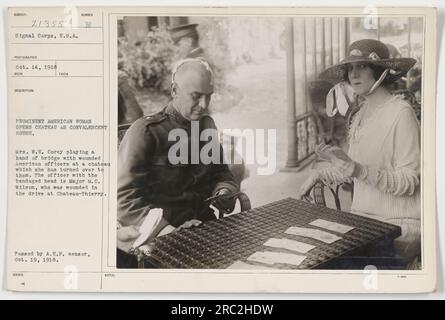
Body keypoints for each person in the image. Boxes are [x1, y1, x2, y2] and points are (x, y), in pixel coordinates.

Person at [298, 39, 420, 265]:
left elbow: (410, 181)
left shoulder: (401, 114)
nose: (354, 74)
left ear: (380, 70)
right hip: (363, 224)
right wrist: (321, 173)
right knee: (306, 254)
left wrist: (359, 169)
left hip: (398, 226)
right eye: (350, 68)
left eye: (362, 66)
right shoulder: (360, 115)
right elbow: (354, 171)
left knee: (330, 265)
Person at [117, 58, 239, 267]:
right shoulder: (146, 132)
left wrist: (223, 192)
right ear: (174, 90)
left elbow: (221, 172)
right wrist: (169, 232)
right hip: (159, 239)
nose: (204, 105)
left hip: (204, 228)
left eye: (208, 96)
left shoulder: (206, 126)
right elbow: (124, 200)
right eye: (196, 96)